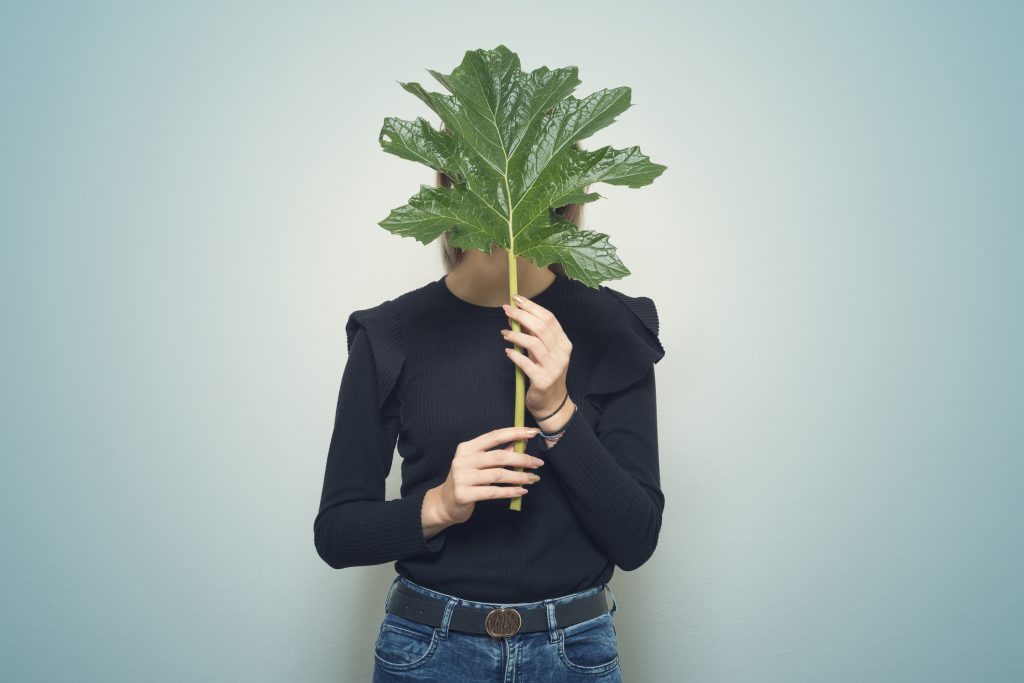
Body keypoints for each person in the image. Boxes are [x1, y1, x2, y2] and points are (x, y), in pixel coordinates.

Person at [313, 177, 666, 682]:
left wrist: (558, 412)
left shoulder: (612, 326)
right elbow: (337, 535)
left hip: (575, 654)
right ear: (450, 182)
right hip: (428, 652)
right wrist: (439, 505)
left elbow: (637, 540)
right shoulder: (389, 334)